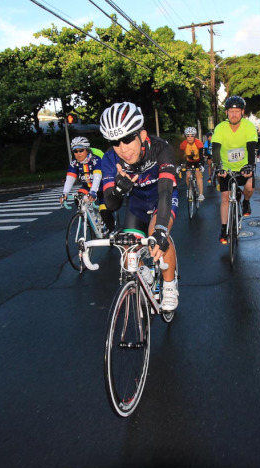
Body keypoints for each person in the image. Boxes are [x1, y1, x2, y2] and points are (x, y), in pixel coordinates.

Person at [100, 102, 180, 312]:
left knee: (157, 233)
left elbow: (165, 192)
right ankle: (145, 274)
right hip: (136, 201)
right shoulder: (110, 158)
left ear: (142, 135)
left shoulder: (161, 148)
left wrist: (161, 231)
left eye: (127, 139)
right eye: (116, 142)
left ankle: (170, 285)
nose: (123, 149)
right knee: (128, 250)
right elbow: (111, 204)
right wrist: (118, 190)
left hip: (161, 197)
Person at [211, 95, 258, 244]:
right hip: (226, 168)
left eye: (237, 111)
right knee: (225, 197)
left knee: (249, 187)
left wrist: (250, 166)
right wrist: (218, 167)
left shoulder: (249, 127)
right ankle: (224, 230)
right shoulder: (220, 128)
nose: (234, 114)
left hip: (244, 167)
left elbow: (251, 148)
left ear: (242, 112)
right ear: (226, 113)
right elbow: (216, 149)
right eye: (231, 111)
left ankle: (246, 202)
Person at [58, 136, 115, 234]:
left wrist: (93, 191)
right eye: (75, 151)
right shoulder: (74, 163)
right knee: (78, 197)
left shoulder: (96, 160)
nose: (78, 153)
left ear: (87, 150)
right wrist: (65, 193)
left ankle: (112, 231)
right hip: (87, 188)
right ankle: (90, 219)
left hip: (101, 188)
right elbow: (70, 178)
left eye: (81, 150)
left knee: (104, 212)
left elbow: (97, 176)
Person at [179, 126, 205, 202]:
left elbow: (201, 156)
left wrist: (202, 166)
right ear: (185, 136)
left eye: (192, 136)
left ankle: (201, 194)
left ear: (195, 136)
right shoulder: (184, 144)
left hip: (198, 161)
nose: (190, 138)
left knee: (198, 174)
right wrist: (179, 166)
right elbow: (180, 156)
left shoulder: (198, 143)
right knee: (187, 175)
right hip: (189, 161)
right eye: (188, 136)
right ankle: (190, 190)